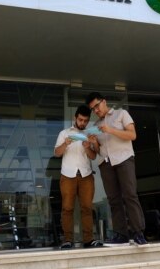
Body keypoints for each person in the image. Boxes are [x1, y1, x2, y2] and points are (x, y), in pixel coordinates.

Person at [85, 92, 148, 246]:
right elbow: (99, 150)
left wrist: (110, 130)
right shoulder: (95, 127)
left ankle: (138, 232)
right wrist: (94, 143)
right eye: (93, 109)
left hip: (124, 159)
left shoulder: (121, 114)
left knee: (130, 195)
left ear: (104, 101)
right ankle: (121, 234)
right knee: (113, 200)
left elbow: (132, 135)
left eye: (97, 106)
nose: (96, 110)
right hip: (106, 163)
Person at [54, 105, 103, 249]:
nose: (82, 123)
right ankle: (67, 240)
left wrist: (88, 146)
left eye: (85, 121)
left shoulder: (89, 134)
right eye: (80, 119)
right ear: (75, 117)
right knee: (67, 208)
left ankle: (89, 239)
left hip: (86, 175)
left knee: (87, 207)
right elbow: (57, 153)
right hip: (67, 175)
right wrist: (66, 143)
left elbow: (93, 157)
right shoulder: (64, 133)